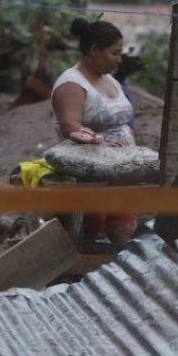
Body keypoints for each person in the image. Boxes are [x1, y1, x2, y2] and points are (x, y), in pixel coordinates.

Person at [51, 17, 136, 244]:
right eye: (114, 53)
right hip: (90, 179)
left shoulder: (110, 80)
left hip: (119, 177)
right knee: (94, 242)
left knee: (122, 239)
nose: (119, 59)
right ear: (94, 50)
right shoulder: (72, 84)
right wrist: (103, 144)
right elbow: (71, 128)